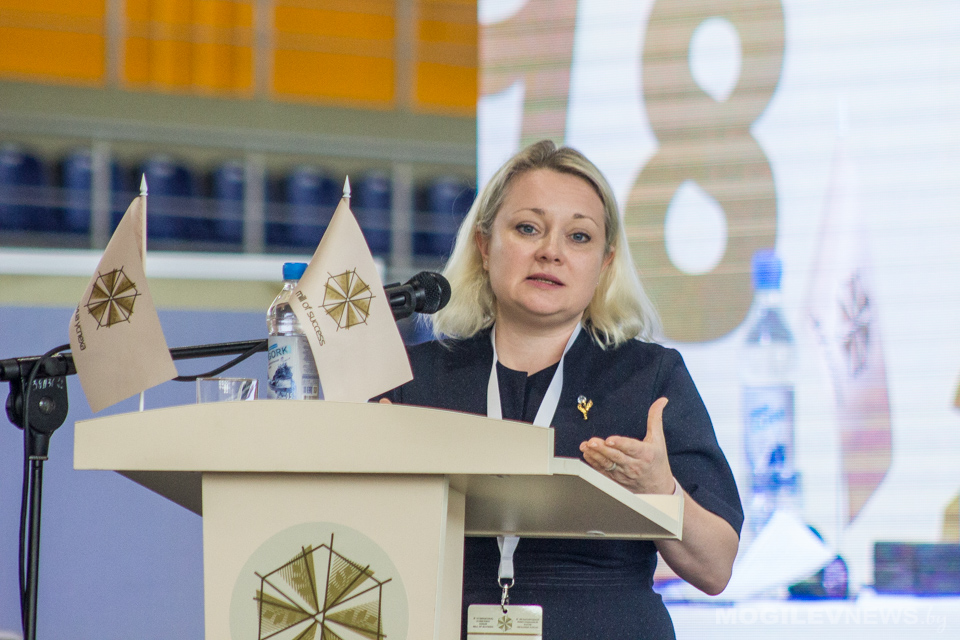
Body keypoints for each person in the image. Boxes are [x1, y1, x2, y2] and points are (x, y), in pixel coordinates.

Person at [379, 140, 742, 639]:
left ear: (605, 263)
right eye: (528, 228)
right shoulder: (413, 378)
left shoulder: (649, 377)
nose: (550, 251)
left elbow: (716, 568)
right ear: (484, 245)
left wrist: (660, 490)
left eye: (579, 236)